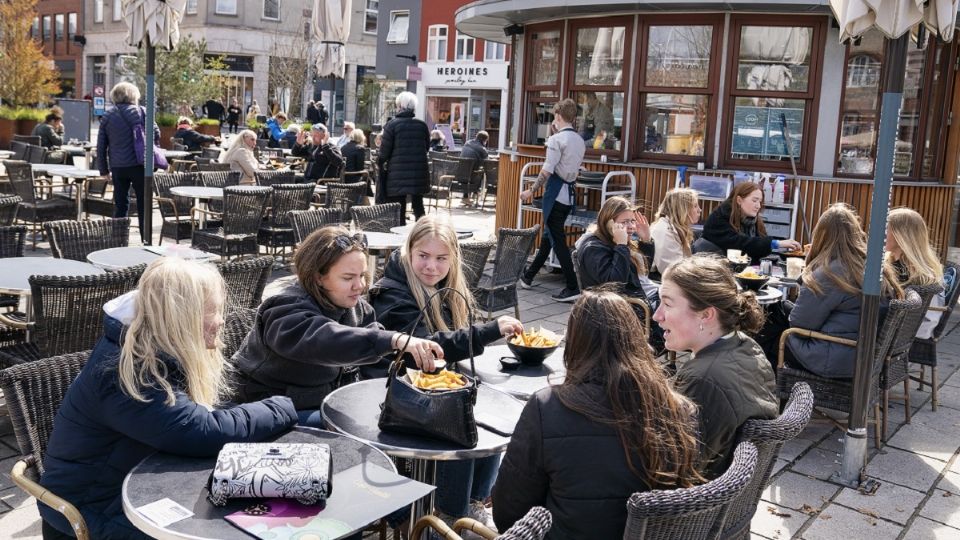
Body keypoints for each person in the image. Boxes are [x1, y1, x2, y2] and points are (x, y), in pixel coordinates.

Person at [39, 259, 298, 538]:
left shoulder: (153, 346)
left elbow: (199, 418)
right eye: (214, 310)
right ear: (181, 316)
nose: (221, 320)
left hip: (137, 479)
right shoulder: (126, 371)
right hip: (94, 507)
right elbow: (202, 431)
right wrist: (282, 406)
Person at [493, 291, 703, 538]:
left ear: (574, 343)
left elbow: (509, 514)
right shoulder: (677, 408)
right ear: (635, 339)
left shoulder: (546, 407)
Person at [369, 216, 524, 531]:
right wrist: (487, 331)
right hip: (390, 399)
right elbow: (430, 346)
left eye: (441, 258)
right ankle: (451, 516)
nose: (431, 266)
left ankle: (470, 505)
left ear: (453, 259)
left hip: (428, 396)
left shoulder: (445, 290)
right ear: (409, 251)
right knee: (460, 429)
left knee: (486, 420)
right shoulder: (392, 294)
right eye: (423, 256)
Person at [232, 226, 443, 424]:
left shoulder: (358, 309)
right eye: (348, 277)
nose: (360, 286)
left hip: (328, 402)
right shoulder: (284, 309)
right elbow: (325, 339)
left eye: (362, 276)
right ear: (318, 277)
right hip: (268, 411)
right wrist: (394, 339)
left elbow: (377, 357)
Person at [654, 255, 778, 478]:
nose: (657, 315)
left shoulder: (703, 379)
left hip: (688, 506)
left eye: (667, 303)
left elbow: (671, 470)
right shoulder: (745, 345)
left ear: (706, 315)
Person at [785, 203, 903, 379]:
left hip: (832, 359)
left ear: (821, 236)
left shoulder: (830, 274)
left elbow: (799, 324)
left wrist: (809, 268)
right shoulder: (872, 266)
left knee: (770, 332)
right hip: (863, 358)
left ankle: (784, 399)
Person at [519, 98, 586, 302]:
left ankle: (573, 286)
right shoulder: (579, 140)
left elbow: (547, 170)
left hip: (555, 193)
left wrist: (531, 190)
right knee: (550, 236)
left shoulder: (557, 140)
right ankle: (529, 276)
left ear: (557, 116)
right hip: (568, 195)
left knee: (557, 240)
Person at [97, 82, 160, 243]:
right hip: (140, 166)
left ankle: (118, 240)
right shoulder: (142, 112)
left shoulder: (107, 116)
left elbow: (101, 145)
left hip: (118, 167)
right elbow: (156, 133)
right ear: (134, 96)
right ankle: (145, 240)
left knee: (120, 204)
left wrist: (103, 170)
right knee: (143, 204)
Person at [697, 182, 801, 262]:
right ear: (739, 200)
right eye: (754, 200)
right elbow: (740, 244)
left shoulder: (753, 221)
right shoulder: (718, 219)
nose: (758, 206)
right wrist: (777, 243)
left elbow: (757, 248)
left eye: (760, 202)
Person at [886, 207, 948, 339]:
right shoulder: (896, 262)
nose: (881, 233)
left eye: (886, 229)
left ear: (901, 235)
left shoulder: (916, 273)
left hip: (904, 335)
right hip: (903, 332)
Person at [377, 91, 431, 220]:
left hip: (398, 173)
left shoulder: (392, 125)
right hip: (418, 173)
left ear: (400, 106)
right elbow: (427, 148)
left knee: (399, 207)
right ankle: (422, 232)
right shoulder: (422, 125)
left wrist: (379, 163)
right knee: (418, 205)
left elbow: (384, 152)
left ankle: (400, 233)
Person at [650, 187, 701, 277]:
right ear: (682, 209)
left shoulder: (677, 227)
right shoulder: (664, 231)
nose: (699, 210)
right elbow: (669, 270)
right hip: (661, 280)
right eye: (695, 206)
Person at [458, 131, 490, 207]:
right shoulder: (482, 149)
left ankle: (466, 197)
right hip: (472, 177)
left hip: (460, 174)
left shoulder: (467, 142)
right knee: (480, 174)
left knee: (470, 171)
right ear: (485, 140)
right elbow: (488, 161)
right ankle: (475, 197)